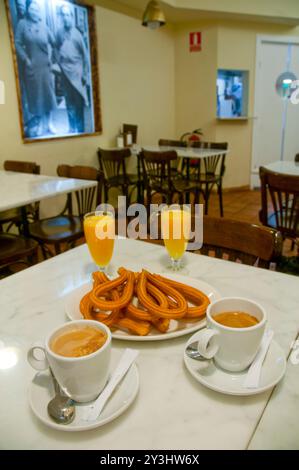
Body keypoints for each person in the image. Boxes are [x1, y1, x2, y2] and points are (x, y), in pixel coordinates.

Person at [15, 0, 57, 137]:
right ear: (28, 10)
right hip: (32, 66)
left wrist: (52, 59)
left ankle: (50, 123)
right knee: (36, 96)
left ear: (39, 12)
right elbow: (17, 43)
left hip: (45, 67)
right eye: (32, 9)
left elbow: (54, 42)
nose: (34, 11)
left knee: (49, 95)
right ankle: (40, 124)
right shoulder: (22, 24)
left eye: (36, 9)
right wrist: (26, 59)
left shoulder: (44, 25)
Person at [55, 3, 89, 134]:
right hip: (65, 74)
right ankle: (71, 127)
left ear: (71, 17)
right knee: (69, 102)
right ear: (61, 17)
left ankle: (80, 129)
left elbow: (85, 56)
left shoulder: (77, 35)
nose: (65, 17)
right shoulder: (58, 33)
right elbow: (56, 49)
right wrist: (59, 63)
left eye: (68, 15)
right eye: (63, 15)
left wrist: (84, 74)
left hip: (77, 73)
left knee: (78, 102)